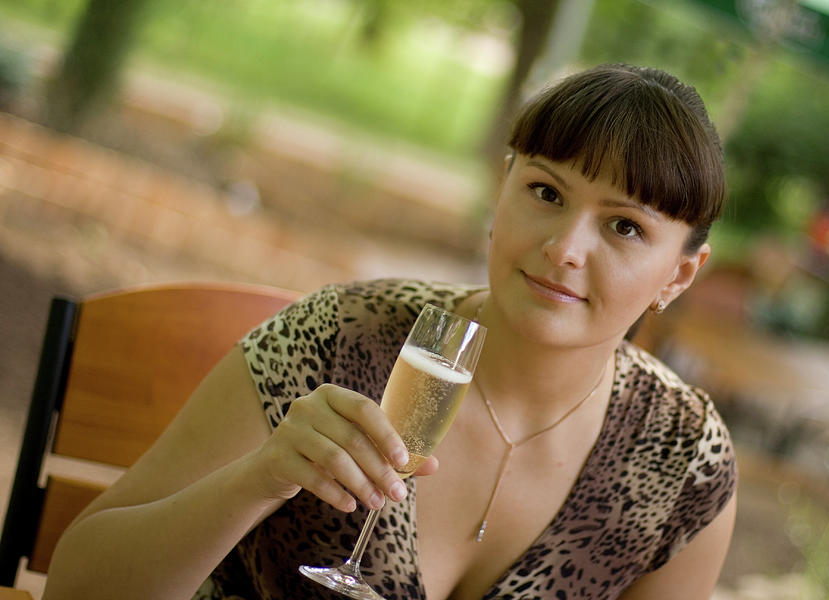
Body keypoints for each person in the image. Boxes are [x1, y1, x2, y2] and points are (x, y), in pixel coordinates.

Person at [43, 63, 737, 600]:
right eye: (546, 193)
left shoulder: (683, 463)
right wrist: (256, 480)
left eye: (624, 226)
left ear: (680, 274)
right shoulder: (336, 340)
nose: (565, 248)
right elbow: (77, 588)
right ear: (503, 189)